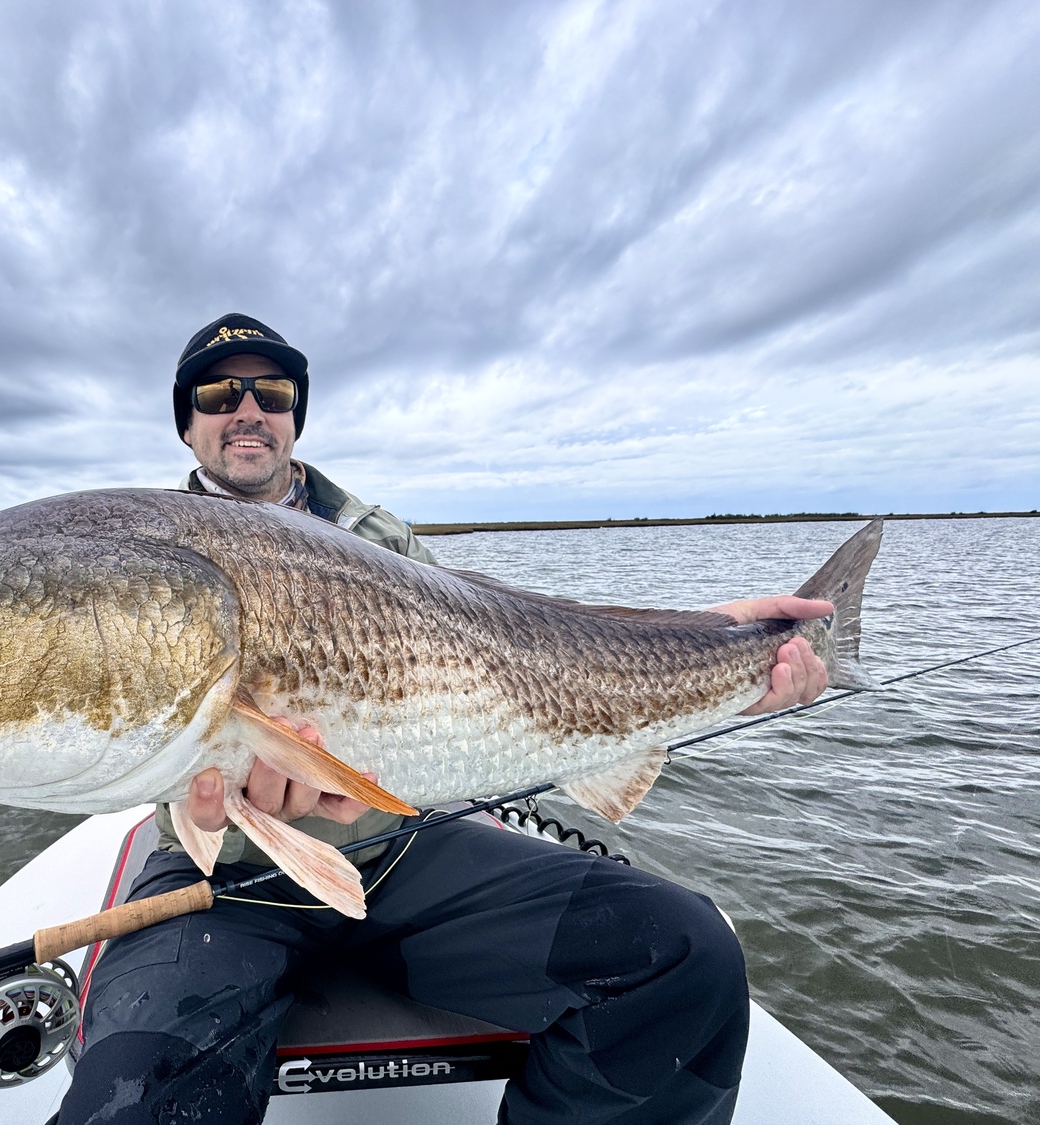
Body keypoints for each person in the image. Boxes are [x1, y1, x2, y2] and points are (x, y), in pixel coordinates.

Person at [57, 314, 831, 1125]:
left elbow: (518, 643)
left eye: (272, 390)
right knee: (130, 1101)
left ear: (293, 416)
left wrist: (721, 639)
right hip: (223, 882)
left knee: (687, 954)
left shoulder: (377, 537)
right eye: (219, 391)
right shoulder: (135, 555)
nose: (247, 407)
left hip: (400, 854)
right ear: (187, 422)